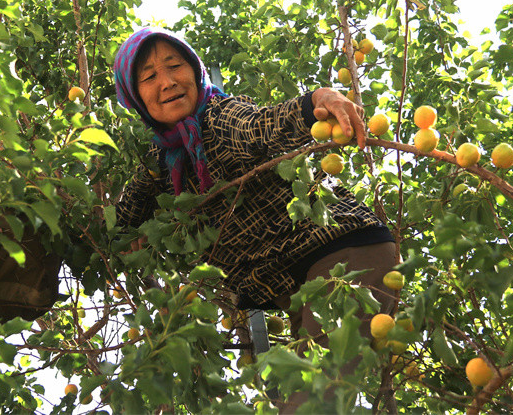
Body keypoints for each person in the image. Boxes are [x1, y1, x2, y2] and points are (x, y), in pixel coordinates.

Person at [113, 27, 398, 408]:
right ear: (134, 97)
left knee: (311, 401)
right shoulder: (164, 161)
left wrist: (318, 99)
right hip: (301, 287)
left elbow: (260, 128)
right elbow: (119, 223)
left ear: (194, 71)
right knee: (308, 398)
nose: (166, 82)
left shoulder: (218, 116)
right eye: (148, 77)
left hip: (343, 258)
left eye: (174, 65)